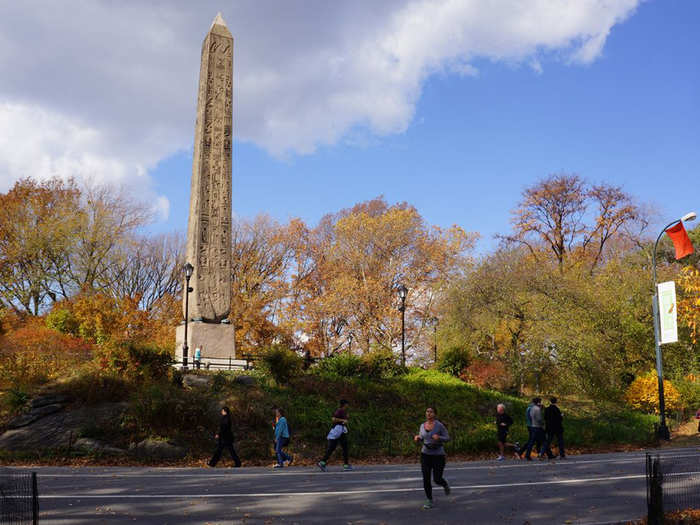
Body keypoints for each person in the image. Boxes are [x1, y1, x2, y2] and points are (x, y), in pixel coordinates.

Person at [414, 406, 451, 509]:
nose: (429, 413)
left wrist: (439, 437)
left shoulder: (439, 426)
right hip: (425, 455)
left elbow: (448, 438)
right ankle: (429, 500)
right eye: (427, 411)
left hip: (438, 455)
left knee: (437, 479)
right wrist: (418, 438)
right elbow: (423, 437)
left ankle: (444, 484)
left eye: (431, 412)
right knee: (426, 478)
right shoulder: (422, 425)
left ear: (435, 414)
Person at [318, 399, 352, 471]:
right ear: (345, 404)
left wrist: (346, 418)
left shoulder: (343, 411)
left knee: (337, 447)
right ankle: (345, 465)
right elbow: (333, 419)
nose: (348, 405)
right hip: (337, 431)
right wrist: (343, 420)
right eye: (347, 404)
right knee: (339, 448)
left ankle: (323, 462)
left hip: (340, 431)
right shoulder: (339, 410)